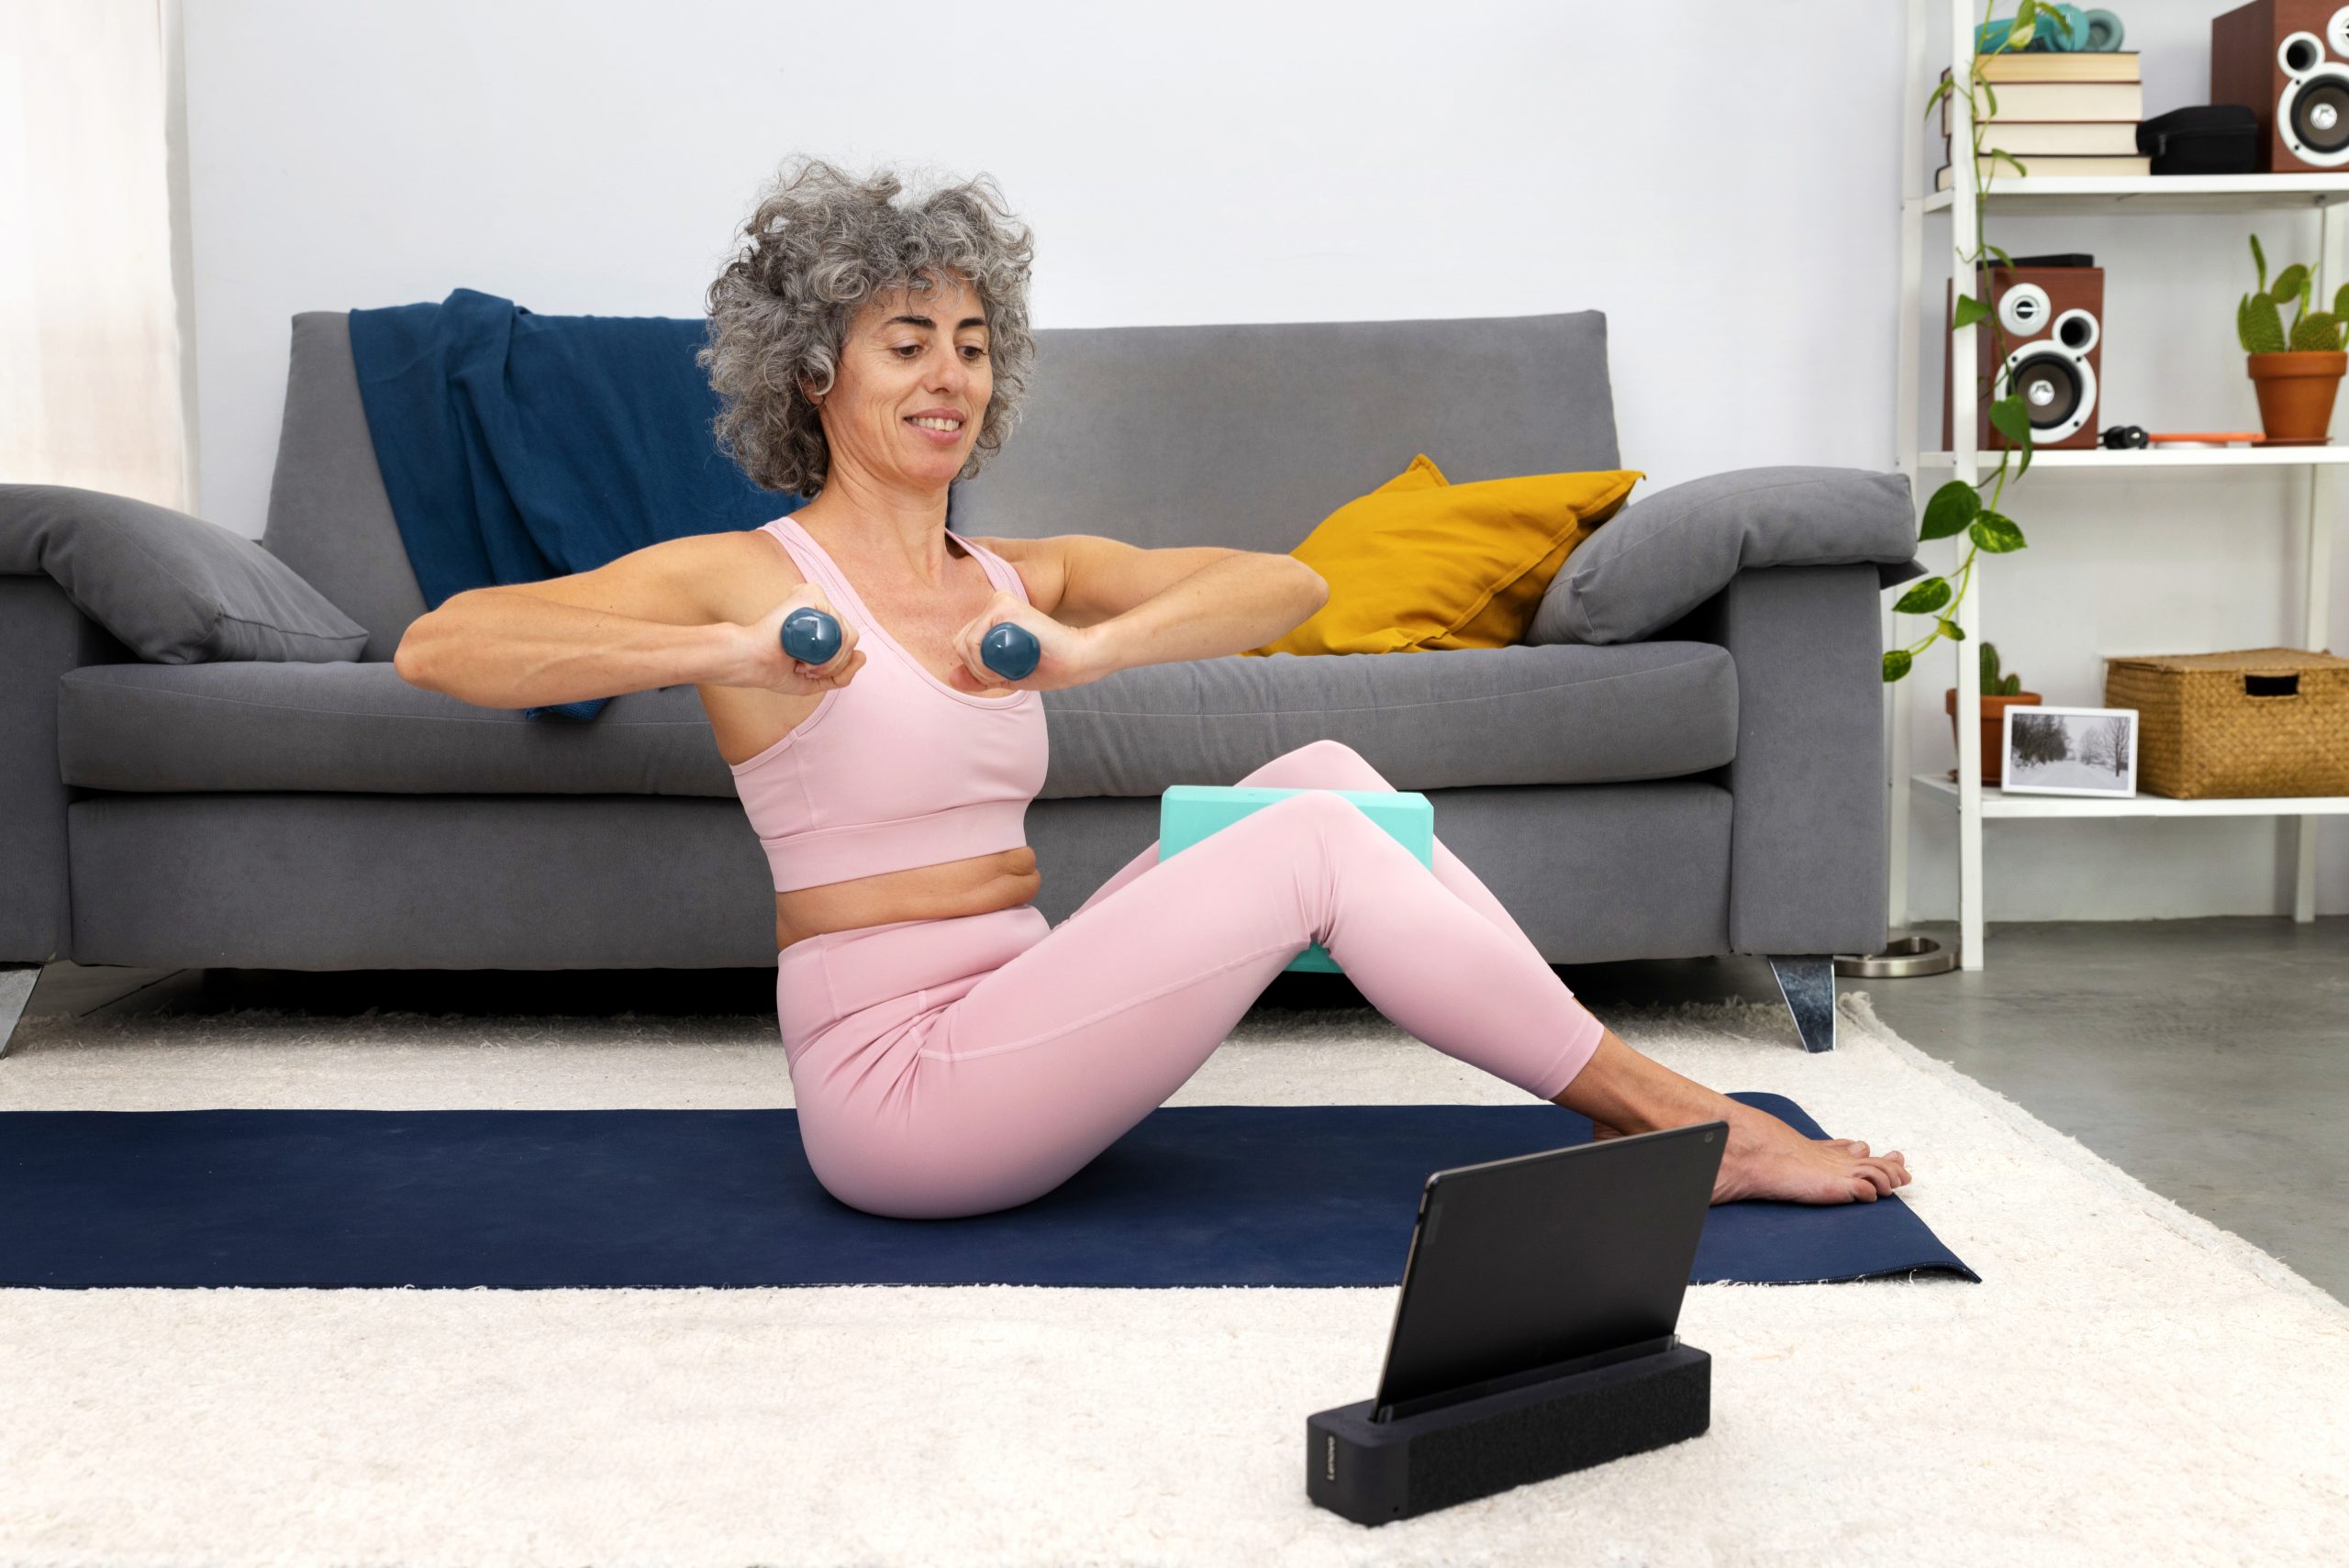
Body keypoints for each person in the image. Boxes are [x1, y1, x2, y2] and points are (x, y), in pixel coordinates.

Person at [394, 157, 1913, 1220]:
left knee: (1325, 779)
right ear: (815, 374)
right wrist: (723, 654)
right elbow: (445, 645)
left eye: (974, 345)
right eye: (904, 341)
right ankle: (1681, 1121)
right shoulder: (752, 576)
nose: (949, 376)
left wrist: (1086, 647)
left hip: (1014, 1001)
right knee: (1310, 854)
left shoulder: (1017, 574)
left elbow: (1288, 586)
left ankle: (1611, 1109)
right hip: (899, 1087)